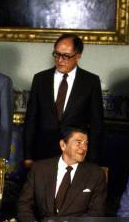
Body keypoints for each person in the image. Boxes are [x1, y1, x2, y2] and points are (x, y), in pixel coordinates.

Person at [24, 33, 104, 165]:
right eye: (56, 54)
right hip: (43, 153)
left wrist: (93, 160)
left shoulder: (91, 81)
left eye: (66, 56)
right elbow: (31, 120)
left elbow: (97, 124)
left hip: (76, 154)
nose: (60, 60)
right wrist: (28, 156)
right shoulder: (40, 79)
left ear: (78, 56)